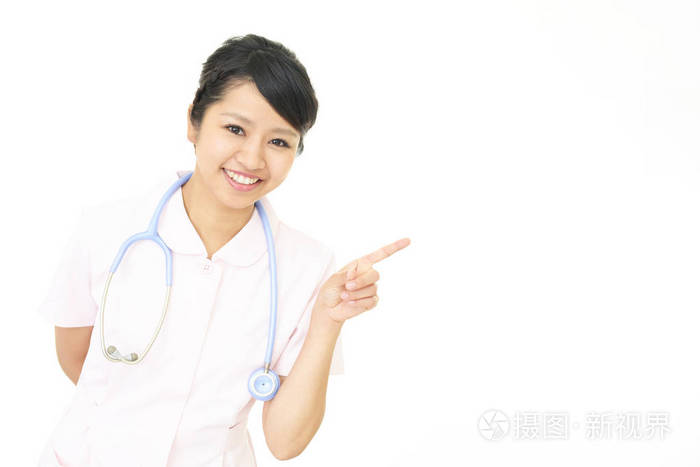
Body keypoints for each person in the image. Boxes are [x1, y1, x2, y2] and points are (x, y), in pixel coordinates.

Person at [36, 33, 410, 466]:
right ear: (193, 123)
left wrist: (327, 323)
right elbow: (75, 358)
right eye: (235, 129)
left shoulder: (308, 267)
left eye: (279, 142)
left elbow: (285, 443)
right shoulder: (106, 229)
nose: (252, 159)